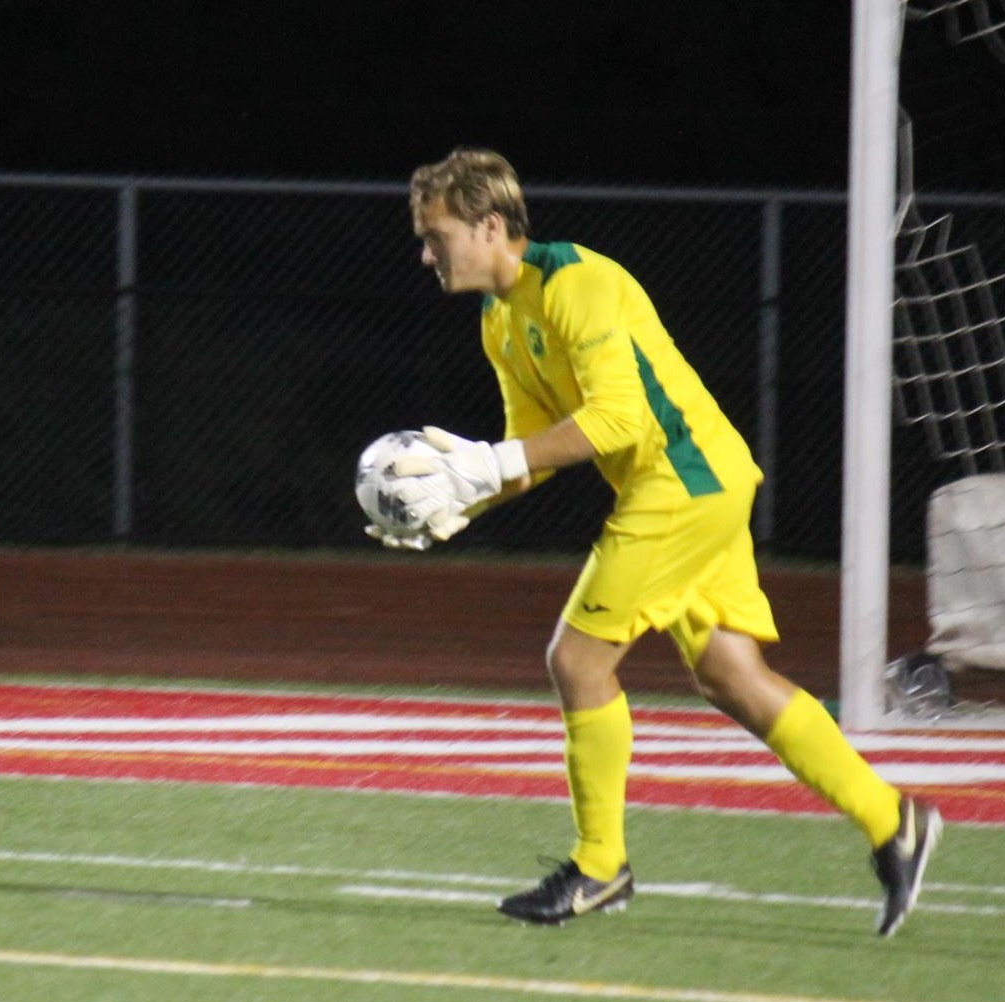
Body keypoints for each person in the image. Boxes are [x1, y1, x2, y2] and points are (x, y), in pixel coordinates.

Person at [379, 147, 940, 935]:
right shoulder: (499, 321)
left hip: (681, 483)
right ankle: (894, 823)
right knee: (731, 676)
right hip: (694, 484)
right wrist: (453, 506)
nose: (425, 252)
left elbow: (614, 422)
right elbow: (530, 446)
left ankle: (600, 866)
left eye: (435, 234)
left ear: (490, 225)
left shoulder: (576, 282)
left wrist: (488, 465)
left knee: (576, 660)